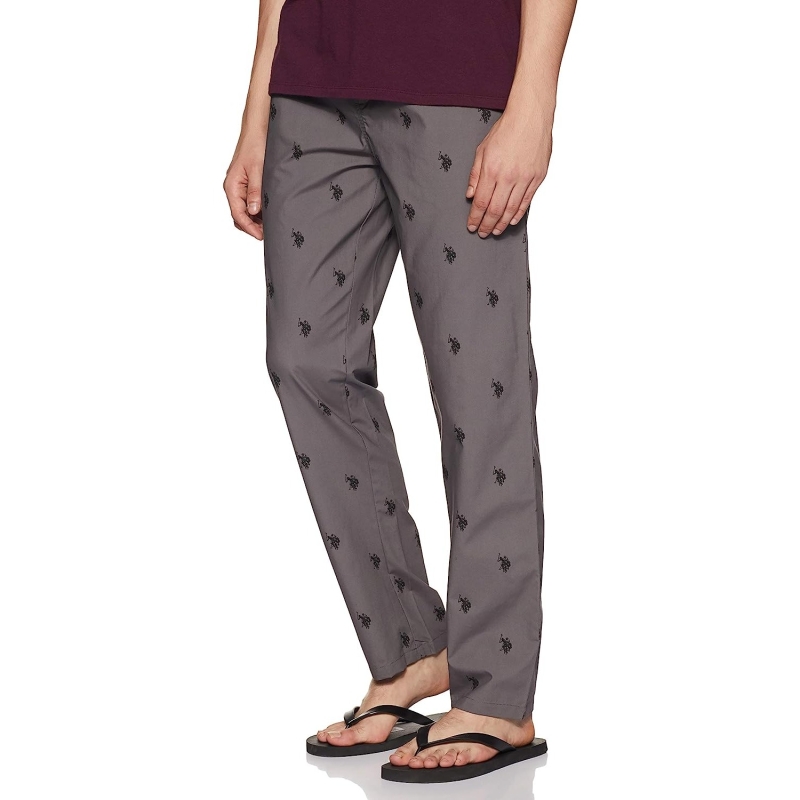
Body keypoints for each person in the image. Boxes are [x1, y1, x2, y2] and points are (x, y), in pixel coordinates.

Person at [223, 0, 576, 784]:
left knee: (478, 386)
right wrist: (256, 107)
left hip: (458, 72)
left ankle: (498, 696)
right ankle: (413, 647)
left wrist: (534, 101)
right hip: (312, 78)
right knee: (305, 358)